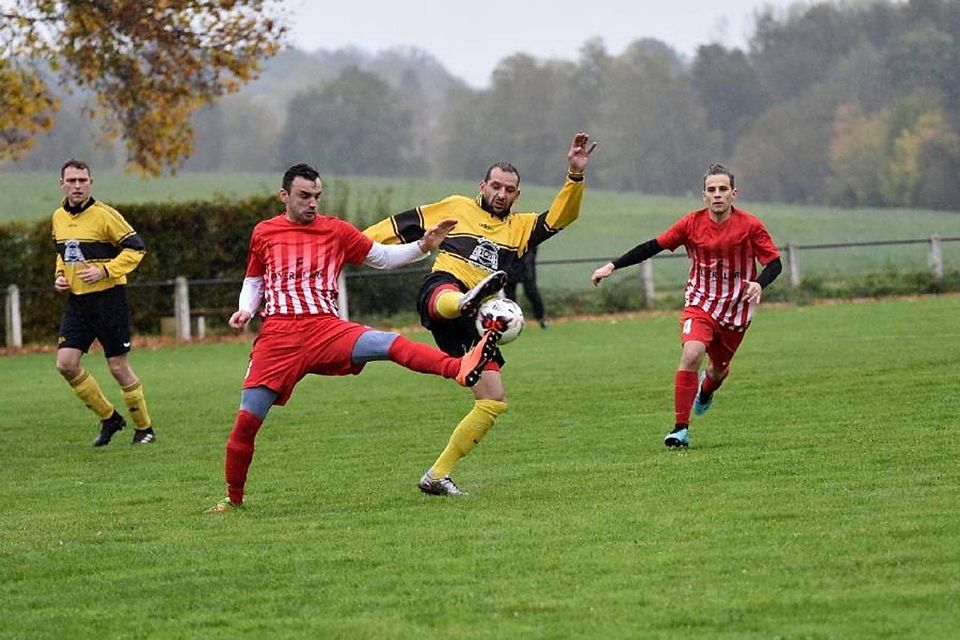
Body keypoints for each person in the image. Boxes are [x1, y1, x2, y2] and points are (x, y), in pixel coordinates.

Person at [209, 164, 498, 512]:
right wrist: (245, 308)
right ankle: (233, 500)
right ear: (283, 196)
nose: (312, 203)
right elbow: (254, 280)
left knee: (390, 343)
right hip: (277, 338)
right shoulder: (264, 233)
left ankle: (459, 368)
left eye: (317, 196)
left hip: (325, 329)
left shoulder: (336, 231)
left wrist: (423, 245)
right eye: (304, 196)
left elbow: (383, 257)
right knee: (247, 422)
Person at [365, 132, 597, 495]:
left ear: (516, 195)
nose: (501, 194)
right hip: (442, 291)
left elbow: (561, 217)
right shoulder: (457, 206)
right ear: (482, 185)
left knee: (493, 399)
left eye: (508, 190)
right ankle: (466, 299)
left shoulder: (519, 228)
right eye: (495, 186)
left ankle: (437, 475)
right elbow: (401, 225)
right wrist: (356, 245)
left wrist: (575, 174)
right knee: (449, 294)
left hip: (475, 324)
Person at [591, 163, 781, 448]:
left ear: (733, 194)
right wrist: (613, 265)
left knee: (718, 371)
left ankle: (706, 389)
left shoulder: (750, 226)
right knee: (692, 354)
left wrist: (759, 284)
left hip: (736, 309)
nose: (717, 195)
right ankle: (680, 429)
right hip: (700, 303)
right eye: (711, 190)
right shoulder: (691, 224)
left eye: (723, 189)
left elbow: (774, 263)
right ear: (704, 195)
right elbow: (652, 246)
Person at [52, 159, 156, 446]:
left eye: (82, 180)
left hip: (108, 300)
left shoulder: (105, 215)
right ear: (62, 184)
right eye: (71, 181)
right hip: (78, 302)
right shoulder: (58, 218)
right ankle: (110, 418)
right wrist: (60, 276)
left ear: (90, 183)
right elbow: (62, 253)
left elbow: (137, 249)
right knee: (66, 364)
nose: (77, 186)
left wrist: (105, 270)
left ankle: (144, 428)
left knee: (117, 367)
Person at [504, 244, 548, 329]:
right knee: (510, 295)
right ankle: (514, 321)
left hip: (526, 259)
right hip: (511, 259)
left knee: (531, 291)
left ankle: (541, 318)